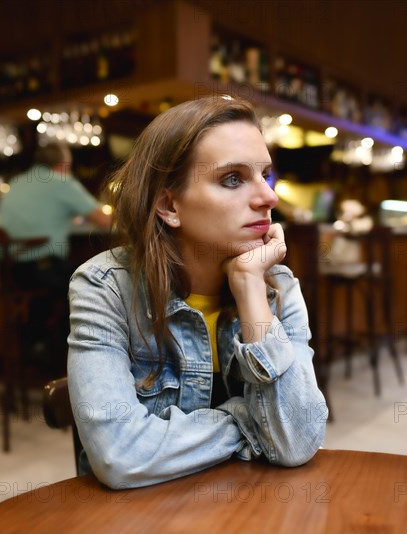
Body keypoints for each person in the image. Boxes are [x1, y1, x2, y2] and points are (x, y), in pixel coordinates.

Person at [67, 96, 327, 490]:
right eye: (233, 179)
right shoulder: (104, 286)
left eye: (264, 175)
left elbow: (296, 442)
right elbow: (119, 456)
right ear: (169, 205)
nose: (268, 198)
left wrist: (249, 287)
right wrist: (247, 421)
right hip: (136, 524)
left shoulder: (278, 285)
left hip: (250, 515)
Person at [0, 142, 112, 367]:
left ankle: (38, 341)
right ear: (63, 165)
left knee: (61, 286)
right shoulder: (61, 182)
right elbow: (104, 220)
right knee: (93, 281)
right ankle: (80, 354)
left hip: (9, 272)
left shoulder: (17, 182)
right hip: (41, 268)